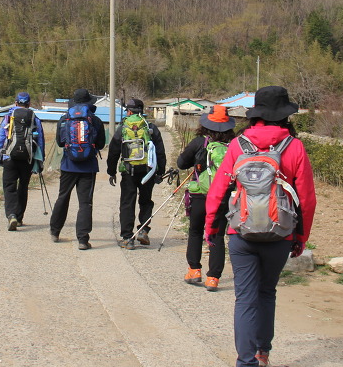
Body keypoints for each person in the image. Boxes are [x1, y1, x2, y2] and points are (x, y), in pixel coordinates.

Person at [205, 86, 316, 367]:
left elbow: (218, 190)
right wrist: (300, 236)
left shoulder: (237, 145)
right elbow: (306, 199)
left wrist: (211, 228)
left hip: (241, 232)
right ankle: (262, 352)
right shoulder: (295, 147)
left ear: (255, 115)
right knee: (267, 292)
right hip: (280, 233)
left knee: (245, 298)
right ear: (285, 116)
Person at [177, 104, 235, 290]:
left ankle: (194, 270)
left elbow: (181, 163)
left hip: (200, 196)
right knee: (217, 235)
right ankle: (213, 278)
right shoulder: (234, 145)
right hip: (223, 197)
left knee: (195, 231)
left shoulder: (200, 142)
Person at [50, 88, 107, 250]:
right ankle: (82, 239)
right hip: (88, 167)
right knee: (85, 203)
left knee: (63, 197)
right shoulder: (95, 120)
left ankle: (55, 232)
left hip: (68, 166)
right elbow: (101, 144)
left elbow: (60, 142)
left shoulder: (64, 119)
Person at [107, 98, 166, 248]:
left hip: (128, 171)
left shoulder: (123, 128)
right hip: (148, 171)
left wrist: (111, 171)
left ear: (129, 111)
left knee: (127, 203)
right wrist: (160, 172)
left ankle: (127, 238)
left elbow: (113, 151)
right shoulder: (150, 128)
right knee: (146, 201)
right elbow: (160, 152)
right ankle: (143, 231)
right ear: (142, 110)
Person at [0, 91, 45, 231]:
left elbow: (0, 137)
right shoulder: (34, 118)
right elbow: (40, 141)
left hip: (10, 157)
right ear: (29, 104)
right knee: (23, 187)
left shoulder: (8, 117)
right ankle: (19, 217)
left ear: (16, 102)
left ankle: (11, 215)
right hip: (27, 159)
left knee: (9, 187)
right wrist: (41, 160)